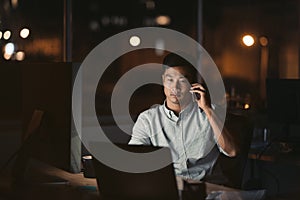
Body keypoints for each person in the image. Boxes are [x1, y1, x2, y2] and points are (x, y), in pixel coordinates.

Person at [128, 52, 237, 181]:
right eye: (170, 80)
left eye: (182, 80)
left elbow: (232, 151)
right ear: (163, 80)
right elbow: (134, 159)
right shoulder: (147, 119)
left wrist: (207, 109)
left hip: (207, 187)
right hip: (169, 188)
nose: (175, 87)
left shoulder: (210, 112)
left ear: (193, 84)